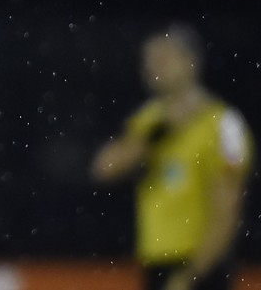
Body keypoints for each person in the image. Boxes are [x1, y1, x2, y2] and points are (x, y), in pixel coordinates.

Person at [90, 24, 255, 290]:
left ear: (191, 62)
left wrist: (191, 275)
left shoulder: (223, 125)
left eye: (163, 58)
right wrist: (160, 132)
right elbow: (104, 168)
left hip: (201, 265)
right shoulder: (149, 120)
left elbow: (227, 209)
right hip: (156, 262)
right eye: (149, 60)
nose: (153, 67)